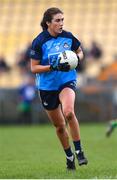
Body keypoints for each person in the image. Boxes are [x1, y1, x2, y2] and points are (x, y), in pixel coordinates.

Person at [30, 7, 88, 170]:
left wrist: (76, 58)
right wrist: (53, 66)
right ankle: (69, 156)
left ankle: (79, 151)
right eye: (57, 20)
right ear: (48, 23)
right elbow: (33, 68)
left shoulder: (68, 37)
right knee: (60, 126)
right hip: (47, 87)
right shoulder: (39, 41)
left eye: (62, 20)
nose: (61, 23)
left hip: (66, 81)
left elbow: (80, 51)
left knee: (69, 112)